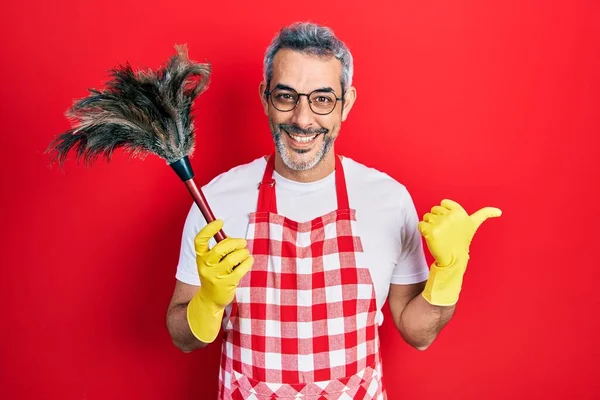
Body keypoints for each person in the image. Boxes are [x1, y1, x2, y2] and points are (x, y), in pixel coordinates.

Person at [166, 21, 501, 399]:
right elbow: (183, 338)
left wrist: (450, 272)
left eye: (322, 99)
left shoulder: (387, 199)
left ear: (347, 104)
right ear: (264, 97)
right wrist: (207, 303)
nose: (303, 119)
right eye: (286, 96)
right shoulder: (215, 201)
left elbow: (417, 333)